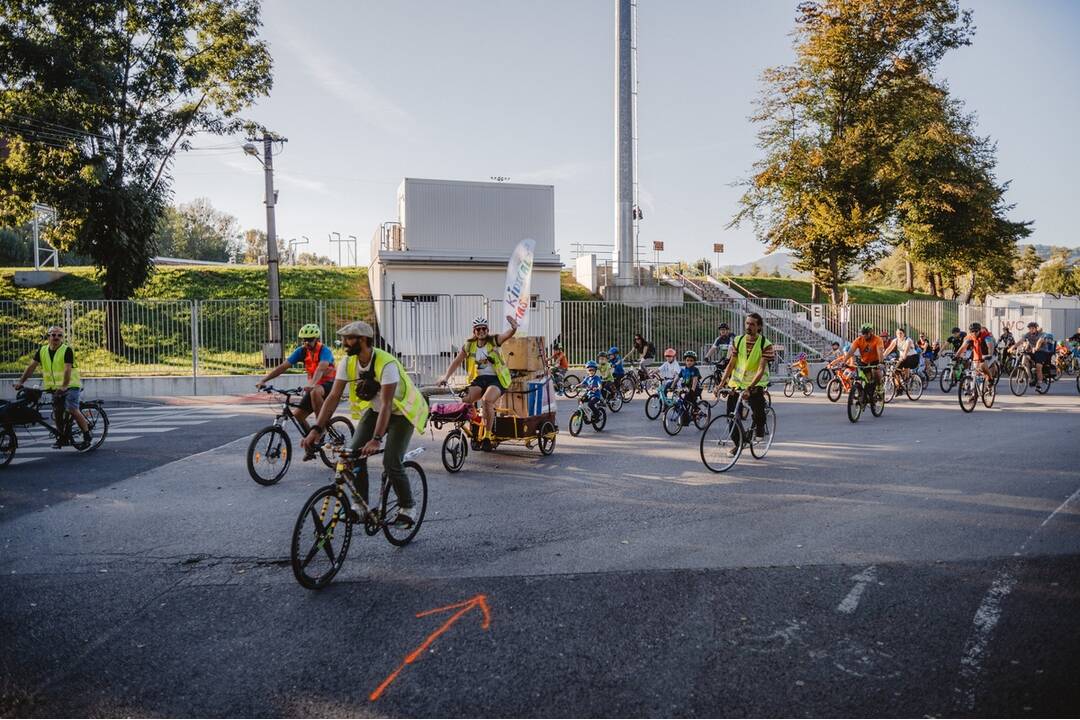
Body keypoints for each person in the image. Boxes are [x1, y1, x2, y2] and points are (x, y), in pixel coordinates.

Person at [301, 321, 428, 528]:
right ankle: (360, 506)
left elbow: (387, 404)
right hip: (375, 411)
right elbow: (332, 397)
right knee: (353, 454)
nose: (344, 343)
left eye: (349, 338)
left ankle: (407, 507)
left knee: (391, 462)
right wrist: (316, 429)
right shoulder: (348, 362)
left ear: (363, 340)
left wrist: (376, 440)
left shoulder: (386, 363)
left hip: (401, 413)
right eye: (343, 338)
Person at [257, 323, 336, 457]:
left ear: (316, 339)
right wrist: (264, 380)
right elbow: (283, 367)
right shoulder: (301, 351)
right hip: (314, 386)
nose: (306, 342)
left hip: (329, 385)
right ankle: (311, 444)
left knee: (315, 391)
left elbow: (321, 369)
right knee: (297, 416)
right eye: (304, 340)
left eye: (310, 339)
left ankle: (319, 429)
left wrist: (312, 384)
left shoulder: (324, 351)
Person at [437, 316, 518, 441]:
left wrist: (513, 328)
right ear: (474, 331)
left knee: (486, 400)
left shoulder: (494, 340)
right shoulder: (470, 345)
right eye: (478, 329)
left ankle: (487, 435)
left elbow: (507, 335)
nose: (481, 331)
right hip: (480, 379)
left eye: (483, 328)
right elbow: (457, 361)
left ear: (487, 329)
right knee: (465, 399)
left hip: (497, 379)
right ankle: (478, 420)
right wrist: (446, 377)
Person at [13, 326, 91, 449]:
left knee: (72, 409)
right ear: (48, 336)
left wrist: (64, 386)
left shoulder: (66, 350)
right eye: (53, 335)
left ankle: (87, 435)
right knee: (57, 413)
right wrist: (21, 382)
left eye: (59, 335)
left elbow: (67, 369)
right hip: (55, 388)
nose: (56, 337)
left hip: (70, 385)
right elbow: (31, 367)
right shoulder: (42, 350)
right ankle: (62, 437)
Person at [718, 313, 775, 441]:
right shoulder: (737, 340)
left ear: (759, 327)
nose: (748, 326)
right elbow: (731, 364)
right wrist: (721, 384)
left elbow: (760, 369)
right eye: (747, 323)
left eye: (752, 324)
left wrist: (749, 388)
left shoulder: (765, 344)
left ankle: (760, 427)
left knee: (758, 409)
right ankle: (739, 443)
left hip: (755, 383)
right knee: (731, 415)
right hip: (737, 383)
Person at [840, 323, 885, 395]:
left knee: (877, 373)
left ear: (871, 332)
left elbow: (880, 352)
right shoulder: (858, 340)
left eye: (866, 333)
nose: (864, 335)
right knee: (867, 379)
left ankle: (879, 386)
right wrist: (844, 361)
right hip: (864, 361)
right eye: (863, 333)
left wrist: (881, 363)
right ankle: (866, 394)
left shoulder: (877, 339)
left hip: (875, 360)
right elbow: (851, 351)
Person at [676, 350, 702, 424]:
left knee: (690, 399)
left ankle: (697, 411)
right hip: (686, 389)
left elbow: (695, 379)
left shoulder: (695, 370)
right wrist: (672, 386)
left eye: (691, 360)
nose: (689, 362)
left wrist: (693, 389)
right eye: (687, 360)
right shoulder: (683, 370)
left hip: (695, 388)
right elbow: (677, 378)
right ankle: (685, 417)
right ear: (685, 361)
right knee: (681, 402)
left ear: (694, 362)